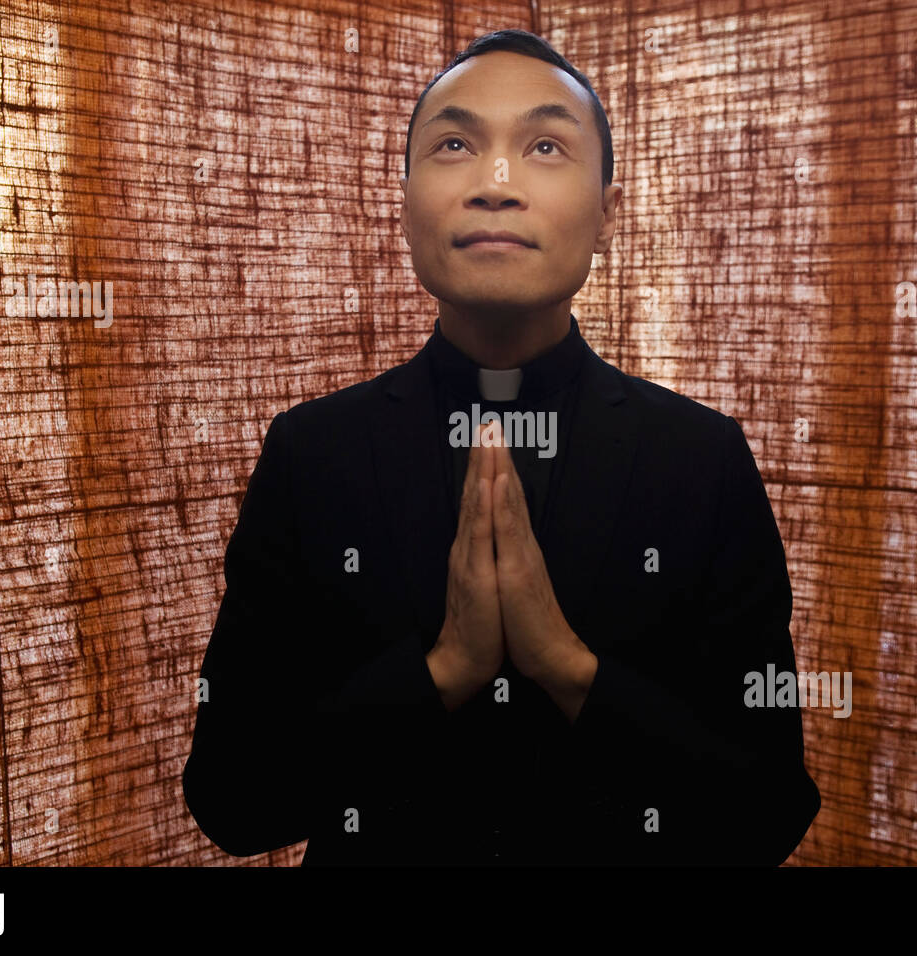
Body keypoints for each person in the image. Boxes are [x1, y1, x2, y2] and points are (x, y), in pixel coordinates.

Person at [182, 28, 820, 866]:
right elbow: (233, 795)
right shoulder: (313, 455)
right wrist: (445, 671)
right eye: (454, 144)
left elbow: (768, 809)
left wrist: (565, 666)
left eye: (545, 145)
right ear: (404, 204)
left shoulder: (701, 459)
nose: (496, 183)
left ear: (606, 212)